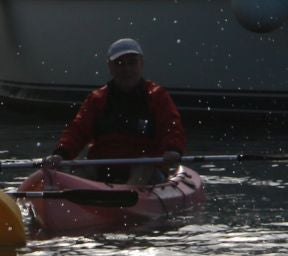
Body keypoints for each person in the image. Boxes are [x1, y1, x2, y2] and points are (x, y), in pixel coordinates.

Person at [44, 38, 186, 183]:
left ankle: (127, 199)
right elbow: (78, 130)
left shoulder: (157, 96)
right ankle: (85, 198)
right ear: (110, 67)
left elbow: (171, 126)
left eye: (132, 63)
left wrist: (173, 149)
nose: (126, 69)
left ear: (141, 64)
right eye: (119, 63)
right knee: (79, 168)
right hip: (103, 166)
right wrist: (61, 154)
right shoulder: (97, 99)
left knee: (144, 164)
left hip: (144, 170)